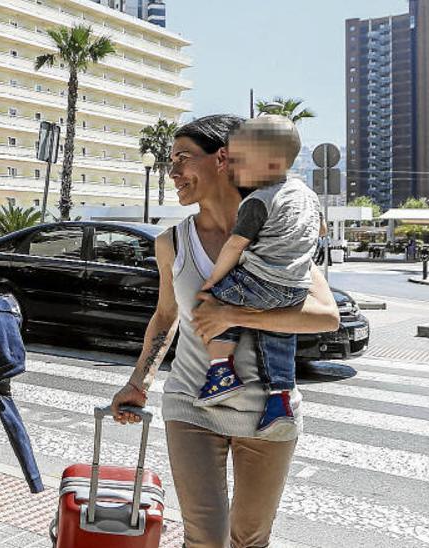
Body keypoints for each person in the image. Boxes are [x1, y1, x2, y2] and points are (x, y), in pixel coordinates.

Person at [109, 115, 339, 548]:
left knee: (250, 538)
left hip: (268, 414)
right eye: (169, 161)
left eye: (182, 159)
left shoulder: (278, 231)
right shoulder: (172, 242)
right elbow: (165, 317)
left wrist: (234, 315)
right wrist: (138, 383)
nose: (172, 172)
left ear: (221, 159)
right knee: (205, 539)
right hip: (191, 404)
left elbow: (326, 316)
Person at [195, 115, 322, 436]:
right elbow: (319, 229)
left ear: (272, 163)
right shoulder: (307, 195)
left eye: (241, 161)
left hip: (261, 279)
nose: (235, 168)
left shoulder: (258, 200)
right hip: (295, 286)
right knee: (278, 334)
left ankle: (220, 371)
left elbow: (234, 247)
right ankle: (280, 398)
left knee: (215, 305)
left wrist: (213, 283)